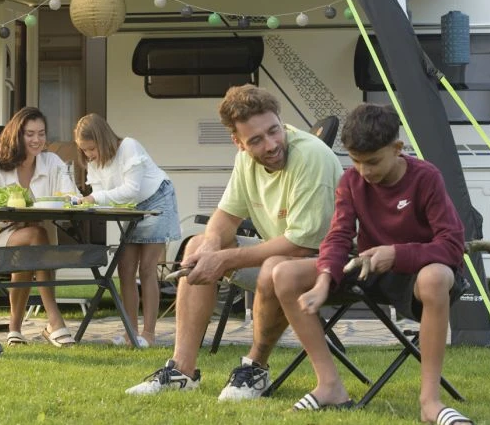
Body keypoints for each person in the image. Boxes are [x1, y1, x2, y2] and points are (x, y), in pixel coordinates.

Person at [126, 84, 342, 398]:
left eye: (274, 131)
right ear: (238, 143)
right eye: (256, 140)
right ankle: (181, 371)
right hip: (284, 260)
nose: (271, 145)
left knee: (273, 266)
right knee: (198, 245)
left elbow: (301, 244)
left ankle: (255, 369)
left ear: (280, 120)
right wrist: (211, 247)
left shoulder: (312, 157)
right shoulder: (245, 160)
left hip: (327, 265)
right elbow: (227, 216)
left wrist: (224, 259)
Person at [273, 103, 472, 424]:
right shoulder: (351, 181)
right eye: (355, 161)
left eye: (373, 161)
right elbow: (338, 237)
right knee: (284, 273)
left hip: (419, 276)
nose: (364, 171)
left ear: (397, 148)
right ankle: (329, 386)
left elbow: (452, 246)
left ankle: (430, 403)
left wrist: (397, 254)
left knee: (435, 276)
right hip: (368, 270)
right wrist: (324, 280)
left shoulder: (426, 177)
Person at [0, 107, 78, 348]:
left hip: (30, 244)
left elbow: (72, 197)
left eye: (41, 133)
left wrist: (65, 200)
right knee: (36, 236)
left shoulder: (52, 162)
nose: (37, 140)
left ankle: (14, 329)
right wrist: (8, 218)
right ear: (17, 135)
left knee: (31, 245)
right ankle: (54, 321)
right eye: (30, 134)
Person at [74, 113, 181, 347]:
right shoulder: (93, 163)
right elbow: (101, 195)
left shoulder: (129, 147)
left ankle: (149, 334)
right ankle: (130, 333)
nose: (88, 154)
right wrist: (90, 201)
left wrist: (94, 199)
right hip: (131, 208)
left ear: (103, 140)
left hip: (156, 200)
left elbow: (131, 189)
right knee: (124, 269)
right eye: (84, 150)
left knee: (147, 269)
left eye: (91, 148)